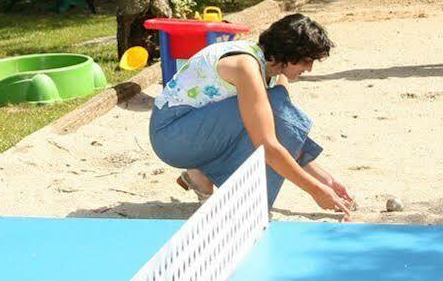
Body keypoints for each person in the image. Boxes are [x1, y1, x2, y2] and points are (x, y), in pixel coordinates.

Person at [148, 13, 356, 218]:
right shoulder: (245, 66)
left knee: (275, 108)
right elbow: (268, 145)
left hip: (193, 132)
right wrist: (315, 191)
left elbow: (287, 134)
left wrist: (326, 181)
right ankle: (228, 192)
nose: (309, 68)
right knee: (272, 110)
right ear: (288, 53)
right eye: (306, 60)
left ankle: (200, 174)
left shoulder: (275, 75)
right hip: (171, 135)